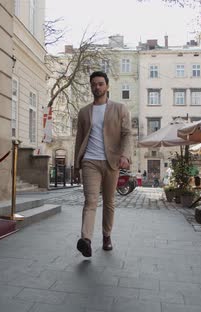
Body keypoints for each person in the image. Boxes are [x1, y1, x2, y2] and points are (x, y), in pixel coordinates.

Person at [73, 71, 131, 257]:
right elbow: (79, 139)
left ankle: (107, 236)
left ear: (107, 86)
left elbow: (126, 134)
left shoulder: (120, 108)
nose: (97, 87)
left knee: (109, 202)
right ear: (90, 86)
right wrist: (76, 165)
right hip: (90, 160)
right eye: (94, 84)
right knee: (90, 200)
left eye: (100, 84)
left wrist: (125, 155)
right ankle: (86, 240)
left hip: (111, 161)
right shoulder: (84, 112)